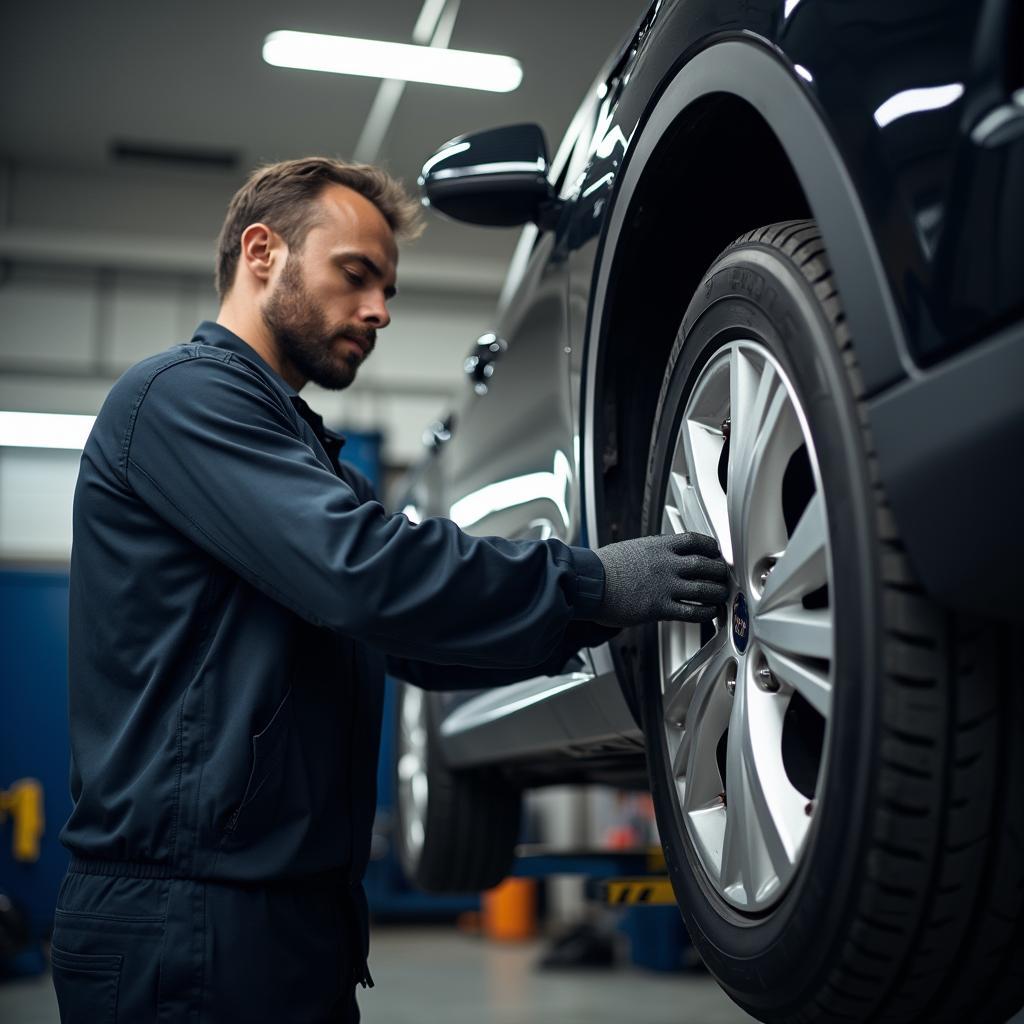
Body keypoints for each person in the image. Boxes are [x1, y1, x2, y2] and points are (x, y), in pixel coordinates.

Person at [51, 157, 729, 1023]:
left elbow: (411, 638)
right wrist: (594, 581)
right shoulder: (180, 397)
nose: (377, 312)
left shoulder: (300, 449)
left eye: (389, 291)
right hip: (184, 925)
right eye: (356, 275)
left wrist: (599, 625)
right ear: (262, 253)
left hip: (291, 921)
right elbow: (363, 575)